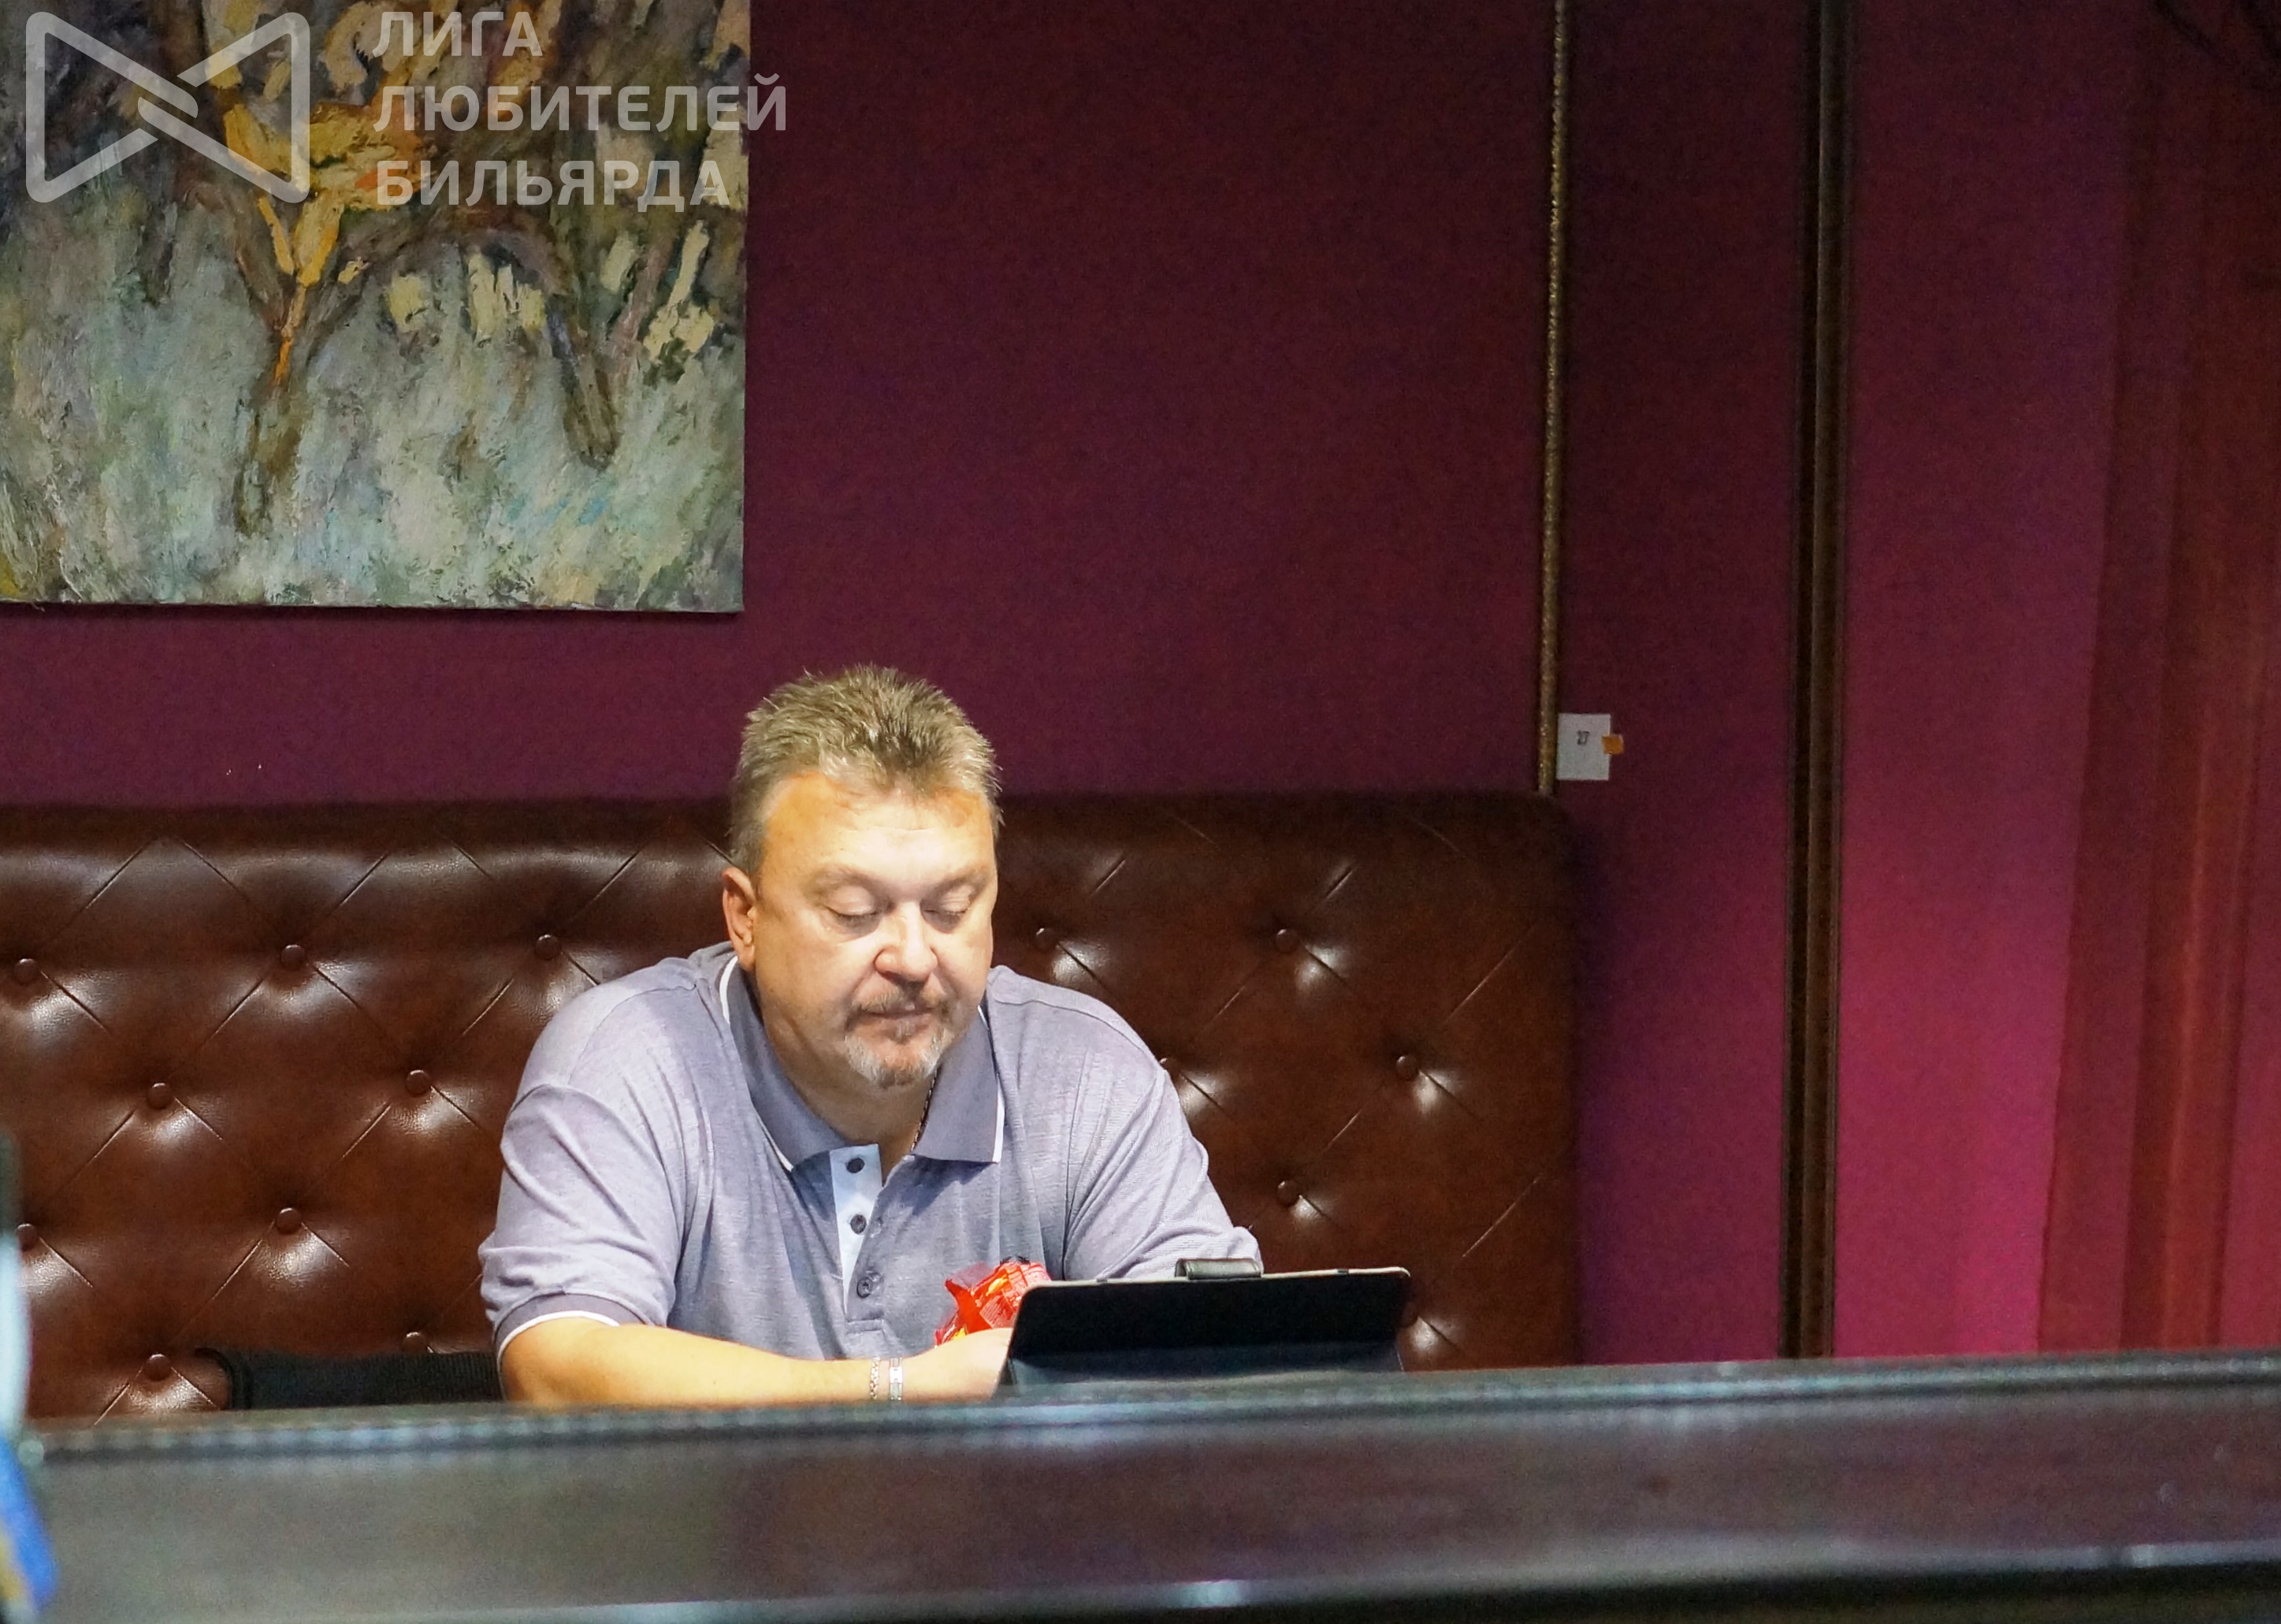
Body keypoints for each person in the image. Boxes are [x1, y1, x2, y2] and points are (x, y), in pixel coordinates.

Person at [481, 666, 1257, 1405]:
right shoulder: (626, 1055)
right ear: (745, 917)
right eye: (855, 912)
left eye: (951, 909)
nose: (914, 959)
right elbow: (555, 1369)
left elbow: (1227, 1359)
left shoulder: (1082, 1068)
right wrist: (901, 1390)